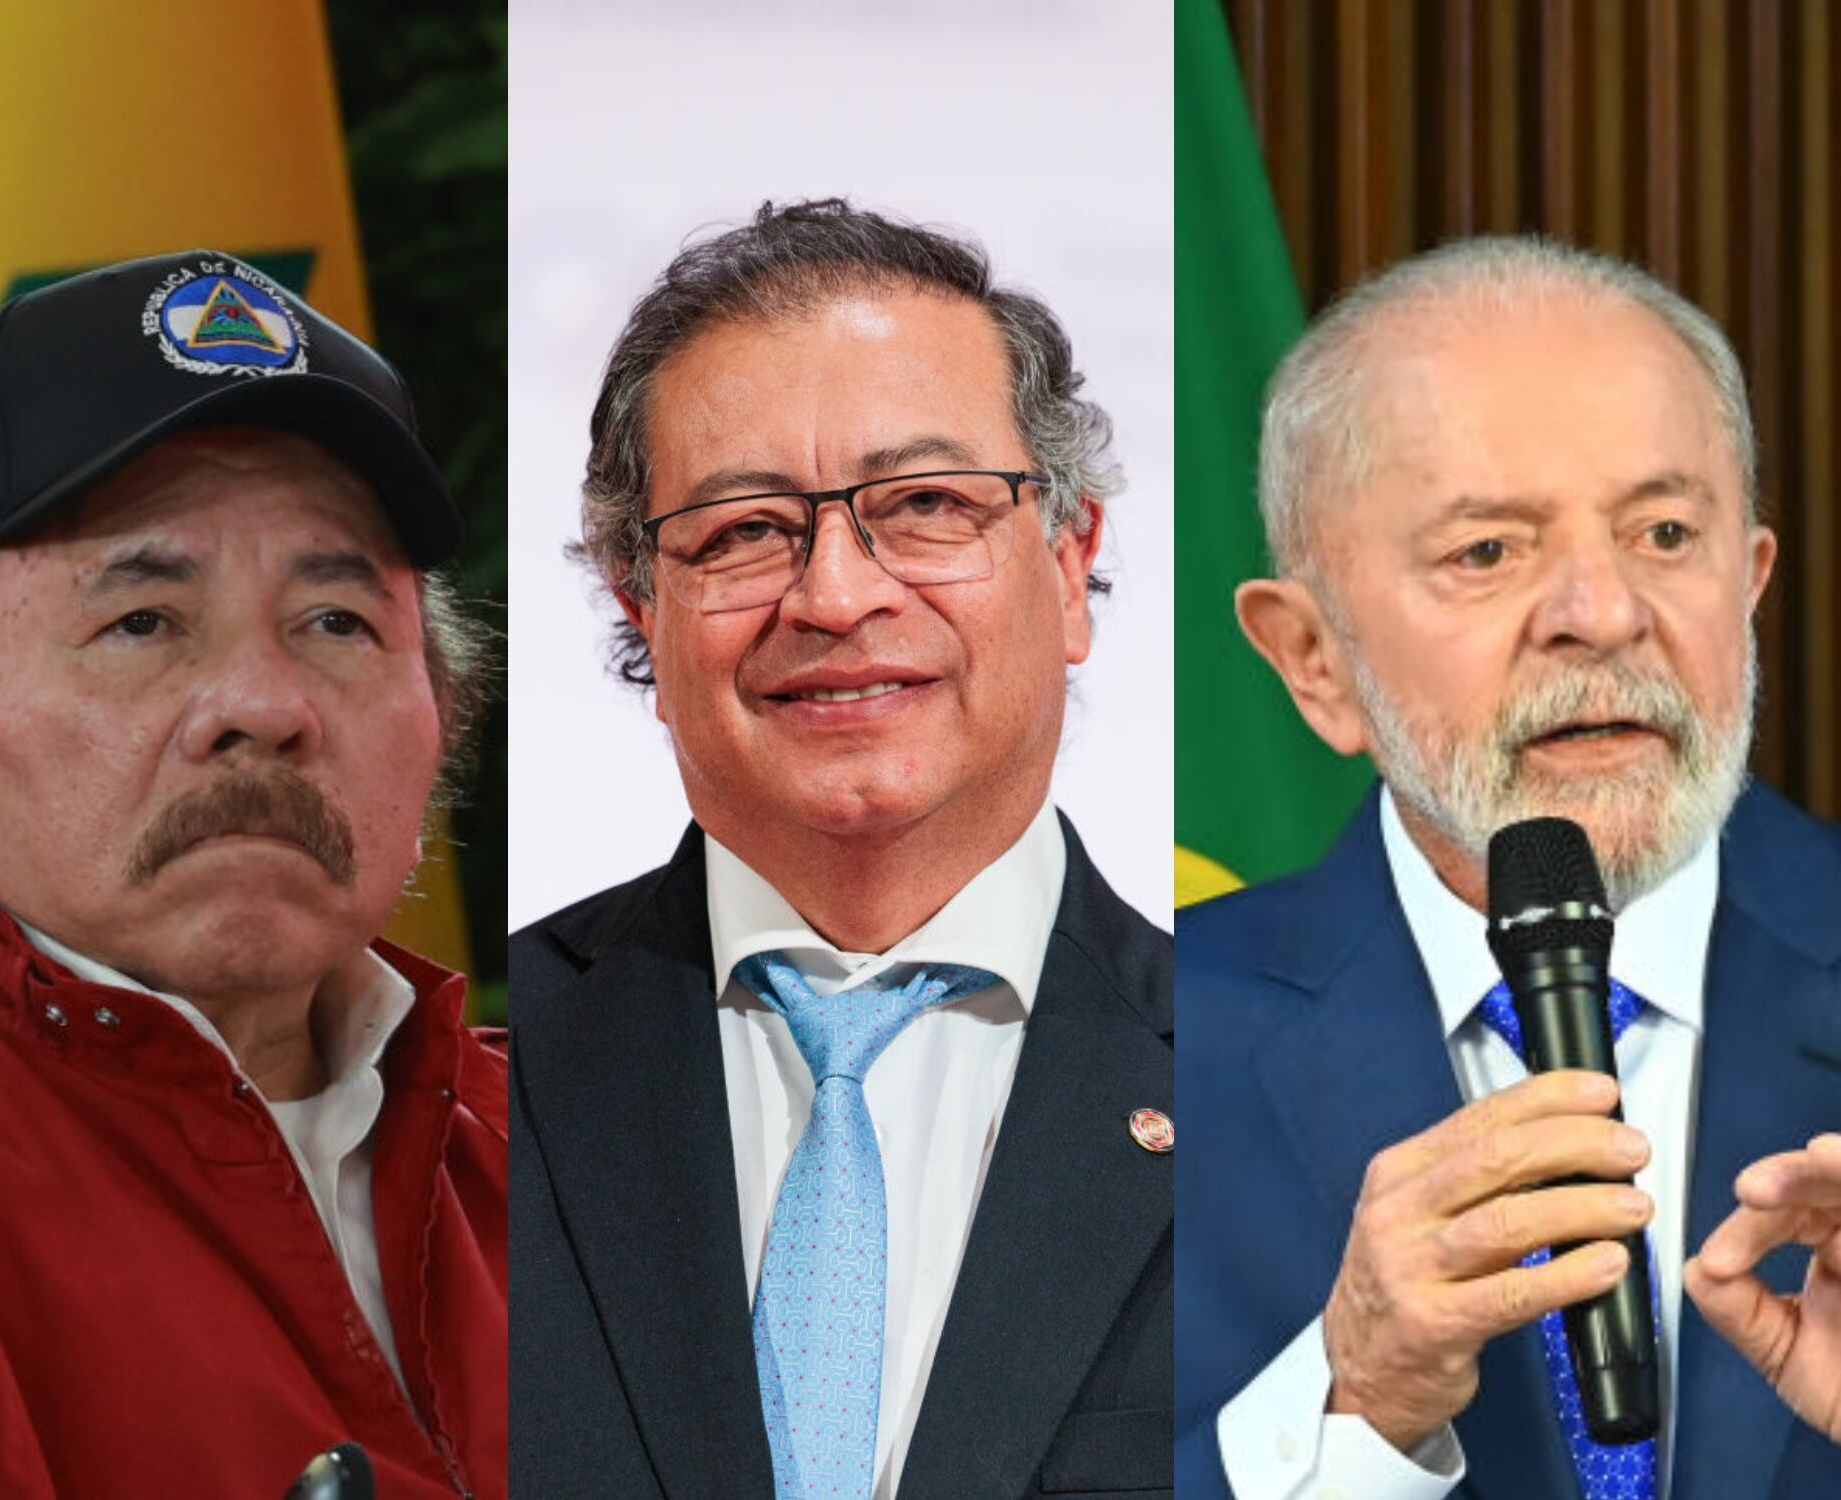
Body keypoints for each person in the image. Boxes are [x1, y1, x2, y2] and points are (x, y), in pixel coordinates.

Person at [509, 199, 1172, 1499]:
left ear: (1069, 558)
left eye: (923, 504)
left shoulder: (1251, 1079)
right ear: (640, 604)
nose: (835, 594)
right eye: (744, 531)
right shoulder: (474, 1080)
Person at [1175, 236, 1841, 1499]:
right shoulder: (1128, 1042)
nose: (1601, 612)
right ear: (1312, 658)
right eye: (1486, 551)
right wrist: (1352, 1409)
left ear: (1747, 585)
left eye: (1662, 533)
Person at [0, 251, 504, 1497]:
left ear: (440, 729)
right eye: (140, 621)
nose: (262, 705)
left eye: (337, 623)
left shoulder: (595, 1158)